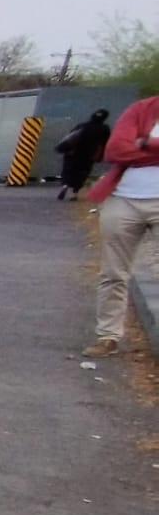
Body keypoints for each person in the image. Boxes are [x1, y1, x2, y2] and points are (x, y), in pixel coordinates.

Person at [84, 94, 159, 358]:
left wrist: (145, 143)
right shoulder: (142, 109)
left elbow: (129, 151)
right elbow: (115, 150)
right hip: (124, 199)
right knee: (113, 272)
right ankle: (108, 336)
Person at [55, 110, 112, 201]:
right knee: (82, 173)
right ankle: (74, 194)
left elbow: (69, 137)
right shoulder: (104, 129)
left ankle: (65, 185)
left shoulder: (82, 125)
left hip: (72, 152)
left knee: (68, 170)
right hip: (89, 155)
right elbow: (105, 143)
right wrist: (101, 155)